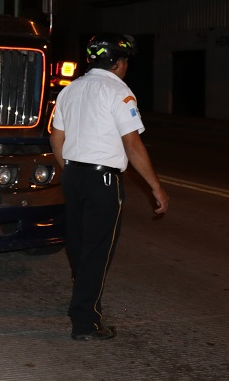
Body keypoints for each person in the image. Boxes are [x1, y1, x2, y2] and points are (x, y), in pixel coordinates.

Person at [49, 32, 168, 341]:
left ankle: (85, 306)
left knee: (78, 246)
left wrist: (70, 170)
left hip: (73, 175)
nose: (126, 67)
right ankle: (85, 322)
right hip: (103, 181)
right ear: (116, 63)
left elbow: (56, 138)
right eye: (125, 61)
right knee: (97, 252)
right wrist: (156, 187)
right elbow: (133, 144)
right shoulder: (119, 92)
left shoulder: (70, 90)